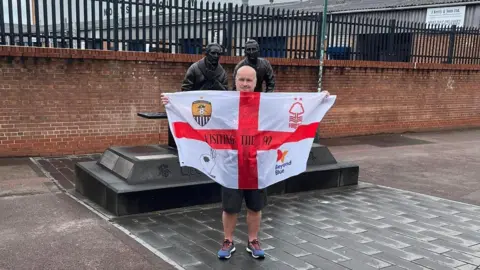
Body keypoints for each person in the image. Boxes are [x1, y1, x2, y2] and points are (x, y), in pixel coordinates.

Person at [160, 66, 330, 260]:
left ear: (256, 82)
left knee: (255, 207)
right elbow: (198, 113)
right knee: (229, 208)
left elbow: (291, 110)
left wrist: (319, 99)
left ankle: (253, 240)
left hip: (258, 165)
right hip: (231, 165)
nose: (245, 84)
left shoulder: (267, 104)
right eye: (241, 80)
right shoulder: (225, 103)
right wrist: (172, 103)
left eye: (249, 80)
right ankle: (228, 240)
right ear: (236, 81)